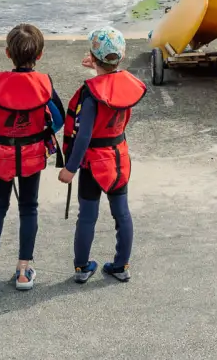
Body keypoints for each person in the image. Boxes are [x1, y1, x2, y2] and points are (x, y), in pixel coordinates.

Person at [0, 24, 64, 293]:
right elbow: (59, 118)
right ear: (40, 55)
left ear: (8, 53)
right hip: (32, 155)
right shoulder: (44, 83)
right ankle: (23, 270)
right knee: (29, 207)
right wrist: (42, 132)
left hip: (1, 156)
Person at [58, 27, 146, 283]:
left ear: (93, 58)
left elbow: (83, 136)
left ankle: (82, 267)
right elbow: (110, 82)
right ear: (121, 57)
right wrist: (98, 66)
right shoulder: (126, 85)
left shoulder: (90, 95)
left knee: (87, 216)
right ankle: (121, 266)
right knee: (122, 214)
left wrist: (70, 168)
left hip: (93, 164)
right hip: (119, 159)